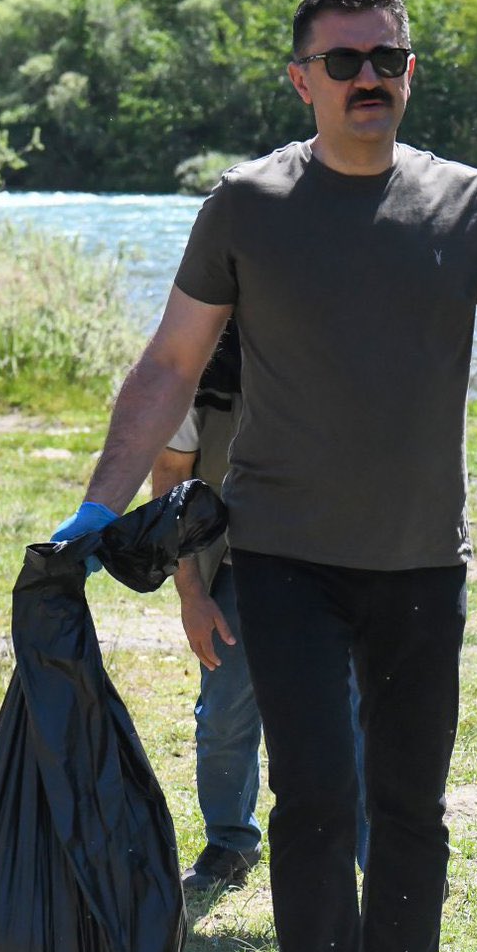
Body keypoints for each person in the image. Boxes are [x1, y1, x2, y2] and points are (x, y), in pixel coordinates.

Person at [47, 0, 477, 952]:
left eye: (387, 59)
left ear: (409, 72)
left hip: (420, 559)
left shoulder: (464, 202)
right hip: (285, 560)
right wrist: (100, 501)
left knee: (411, 812)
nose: (368, 77)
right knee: (316, 803)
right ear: (302, 80)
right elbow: (170, 363)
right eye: (344, 61)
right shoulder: (248, 204)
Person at [146, 320, 369, 893]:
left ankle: (379, 855)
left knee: (357, 714)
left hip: (340, 561)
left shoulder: (346, 344)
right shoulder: (198, 367)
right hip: (237, 567)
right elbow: (171, 474)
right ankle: (230, 843)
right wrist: (192, 595)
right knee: (223, 716)